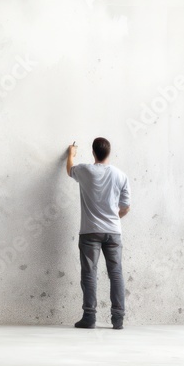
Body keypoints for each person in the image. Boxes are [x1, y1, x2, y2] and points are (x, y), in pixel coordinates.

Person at [65, 137, 131, 330]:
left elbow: (70, 170)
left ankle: (89, 317)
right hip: (113, 232)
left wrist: (71, 154)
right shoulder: (120, 175)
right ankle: (118, 319)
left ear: (93, 152)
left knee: (89, 274)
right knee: (116, 273)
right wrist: (113, 218)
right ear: (108, 153)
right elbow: (126, 207)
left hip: (90, 232)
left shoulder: (85, 171)